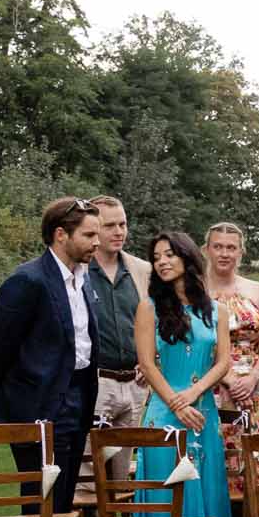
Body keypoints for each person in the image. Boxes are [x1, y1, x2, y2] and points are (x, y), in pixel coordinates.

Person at [0, 196, 103, 517]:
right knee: (39, 501)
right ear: (60, 235)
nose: (97, 241)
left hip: (76, 399)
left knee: (62, 498)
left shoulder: (82, 279)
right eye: (89, 234)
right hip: (37, 406)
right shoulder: (28, 281)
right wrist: (17, 399)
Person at [132, 230, 239, 517]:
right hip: (164, 413)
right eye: (156, 256)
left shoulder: (217, 310)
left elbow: (224, 361)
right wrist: (178, 404)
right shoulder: (149, 307)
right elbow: (147, 362)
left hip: (204, 412)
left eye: (169, 254)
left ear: (188, 258)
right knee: (169, 495)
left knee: (207, 493)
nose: (161, 261)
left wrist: (195, 394)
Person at [204, 222, 259, 501]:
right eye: (218, 246)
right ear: (207, 250)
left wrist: (253, 377)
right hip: (211, 385)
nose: (224, 253)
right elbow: (196, 341)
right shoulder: (195, 290)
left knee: (253, 456)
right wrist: (230, 380)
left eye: (231, 247)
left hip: (251, 387)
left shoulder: (257, 289)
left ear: (241, 252)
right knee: (217, 459)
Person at [84, 196, 151, 484]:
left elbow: (159, 323)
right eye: (109, 225)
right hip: (96, 382)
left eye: (122, 224)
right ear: (93, 229)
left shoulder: (142, 270)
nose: (118, 231)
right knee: (88, 469)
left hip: (136, 384)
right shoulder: (81, 270)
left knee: (122, 473)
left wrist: (152, 360)